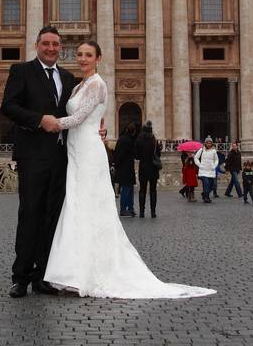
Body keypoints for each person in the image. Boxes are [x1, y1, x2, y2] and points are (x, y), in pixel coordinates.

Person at [43, 41, 214, 298]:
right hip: (77, 149)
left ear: (98, 58)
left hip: (88, 151)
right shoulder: (79, 85)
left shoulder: (98, 84)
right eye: (79, 54)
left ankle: (81, 273)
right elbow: (88, 118)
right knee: (78, 207)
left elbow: (79, 119)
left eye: (88, 55)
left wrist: (48, 123)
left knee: (88, 207)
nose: (82, 59)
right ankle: (75, 272)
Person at [0, 26, 80, 298]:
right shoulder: (21, 71)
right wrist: (38, 120)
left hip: (60, 156)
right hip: (32, 155)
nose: (51, 48)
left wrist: (96, 130)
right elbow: (8, 107)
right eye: (46, 44)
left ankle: (43, 276)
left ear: (60, 47)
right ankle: (20, 277)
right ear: (37, 45)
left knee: (51, 218)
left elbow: (73, 116)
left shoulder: (68, 78)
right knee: (30, 215)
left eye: (55, 44)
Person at [135, 121, 161, 218]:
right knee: (153, 190)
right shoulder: (154, 140)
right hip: (153, 168)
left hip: (143, 168)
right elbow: (158, 154)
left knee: (142, 190)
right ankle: (153, 212)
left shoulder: (139, 140)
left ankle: (142, 212)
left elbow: (136, 156)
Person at [114, 123, 137, 217]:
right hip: (126, 168)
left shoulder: (122, 139)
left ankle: (130, 208)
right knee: (126, 189)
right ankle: (124, 209)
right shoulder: (127, 140)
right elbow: (122, 155)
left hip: (125, 168)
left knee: (129, 188)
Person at [193, 137, 219, 204]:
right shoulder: (201, 150)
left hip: (211, 170)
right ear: (205, 143)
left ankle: (204, 194)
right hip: (203, 171)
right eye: (207, 142)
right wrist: (200, 165)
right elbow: (195, 158)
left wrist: (214, 166)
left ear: (211, 143)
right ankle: (206, 198)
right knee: (206, 184)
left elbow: (216, 160)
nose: (209, 144)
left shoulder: (214, 151)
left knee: (212, 185)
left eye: (210, 142)